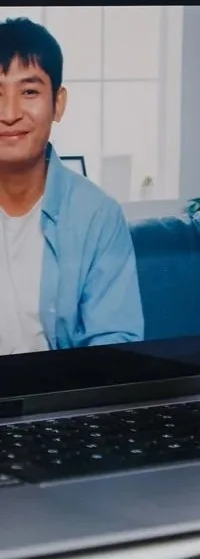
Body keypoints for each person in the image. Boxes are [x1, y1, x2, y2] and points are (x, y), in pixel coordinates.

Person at [0, 18, 144, 353]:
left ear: (58, 104)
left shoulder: (97, 214)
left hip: (59, 398)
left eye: (29, 91)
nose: (9, 113)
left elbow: (114, 343)